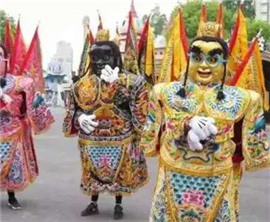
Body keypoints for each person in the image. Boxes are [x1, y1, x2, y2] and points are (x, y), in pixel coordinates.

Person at [139, 29, 270, 221]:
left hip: (218, 173)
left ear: (225, 62)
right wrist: (185, 124)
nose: (204, 66)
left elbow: (252, 145)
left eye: (213, 59)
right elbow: (153, 131)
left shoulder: (244, 99)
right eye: (197, 57)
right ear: (189, 59)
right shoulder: (164, 92)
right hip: (174, 170)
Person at [63, 30, 149, 220]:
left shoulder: (132, 82)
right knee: (92, 173)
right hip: (92, 141)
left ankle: (119, 204)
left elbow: (143, 111)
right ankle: (93, 202)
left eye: (105, 56)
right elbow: (73, 109)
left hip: (122, 139)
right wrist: (79, 118)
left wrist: (122, 93)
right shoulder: (81, 85)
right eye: (95, 57)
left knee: (120, 174)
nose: (100, 62)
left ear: (116, 57)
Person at [0, 43, 54, 209]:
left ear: (6, 59)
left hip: (13, 130)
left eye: (0, 55)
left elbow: (30, 104)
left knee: (12, 165)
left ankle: (11, 195)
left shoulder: (18, 82)